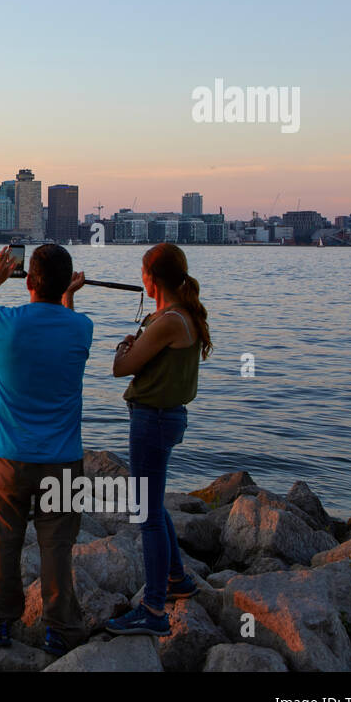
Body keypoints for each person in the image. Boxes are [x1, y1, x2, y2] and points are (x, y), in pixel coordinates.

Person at [0, 243, 91, 656]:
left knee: (3, 541)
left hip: (9, 458)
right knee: (57, 547)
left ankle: (1, 621)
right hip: (63, 462)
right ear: (61, 284)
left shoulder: (5, 323)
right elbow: (64, 322)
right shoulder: (81, 327)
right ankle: (59, 629)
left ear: (28, 280)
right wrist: (67, 298)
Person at [104, 242, 212, 636]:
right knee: (154, 501)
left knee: (147, 514)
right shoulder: (176, 315)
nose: (141, 280)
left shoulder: (169, 321)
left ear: (151, 278)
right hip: (165, 418)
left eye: (143, 273)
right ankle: (177, 579)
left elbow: (122, 368)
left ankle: (153, 610)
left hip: (153, 420)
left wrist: (124, 346)